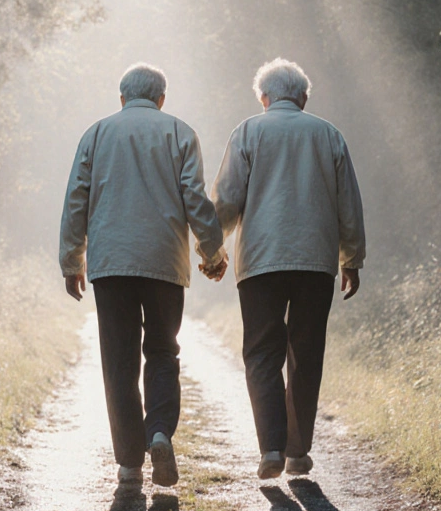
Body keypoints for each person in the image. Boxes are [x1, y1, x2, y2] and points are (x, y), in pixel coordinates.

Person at [60, 63, 228, 487]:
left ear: (121, 98)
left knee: (119, 361)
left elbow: (76, 200)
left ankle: (130, 462)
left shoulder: (96, 134)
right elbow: (195, 199)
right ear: (161, 99)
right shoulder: (180, 133)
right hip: (164, 262)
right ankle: (159, 433)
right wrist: (212, 252)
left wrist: (72, 261)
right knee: (163, 351)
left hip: (111, 264)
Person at [211, 58, 366, 479]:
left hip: (260, 262)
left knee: (262, 353)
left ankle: (270, 449)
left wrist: (213, 249)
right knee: (306, 353)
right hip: (315, 263)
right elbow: (348, 206)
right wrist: (351, 259)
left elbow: (226, 200)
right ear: (303, 98)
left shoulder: (247, 132)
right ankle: (298, 450)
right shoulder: (328, 135)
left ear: (263, 98)